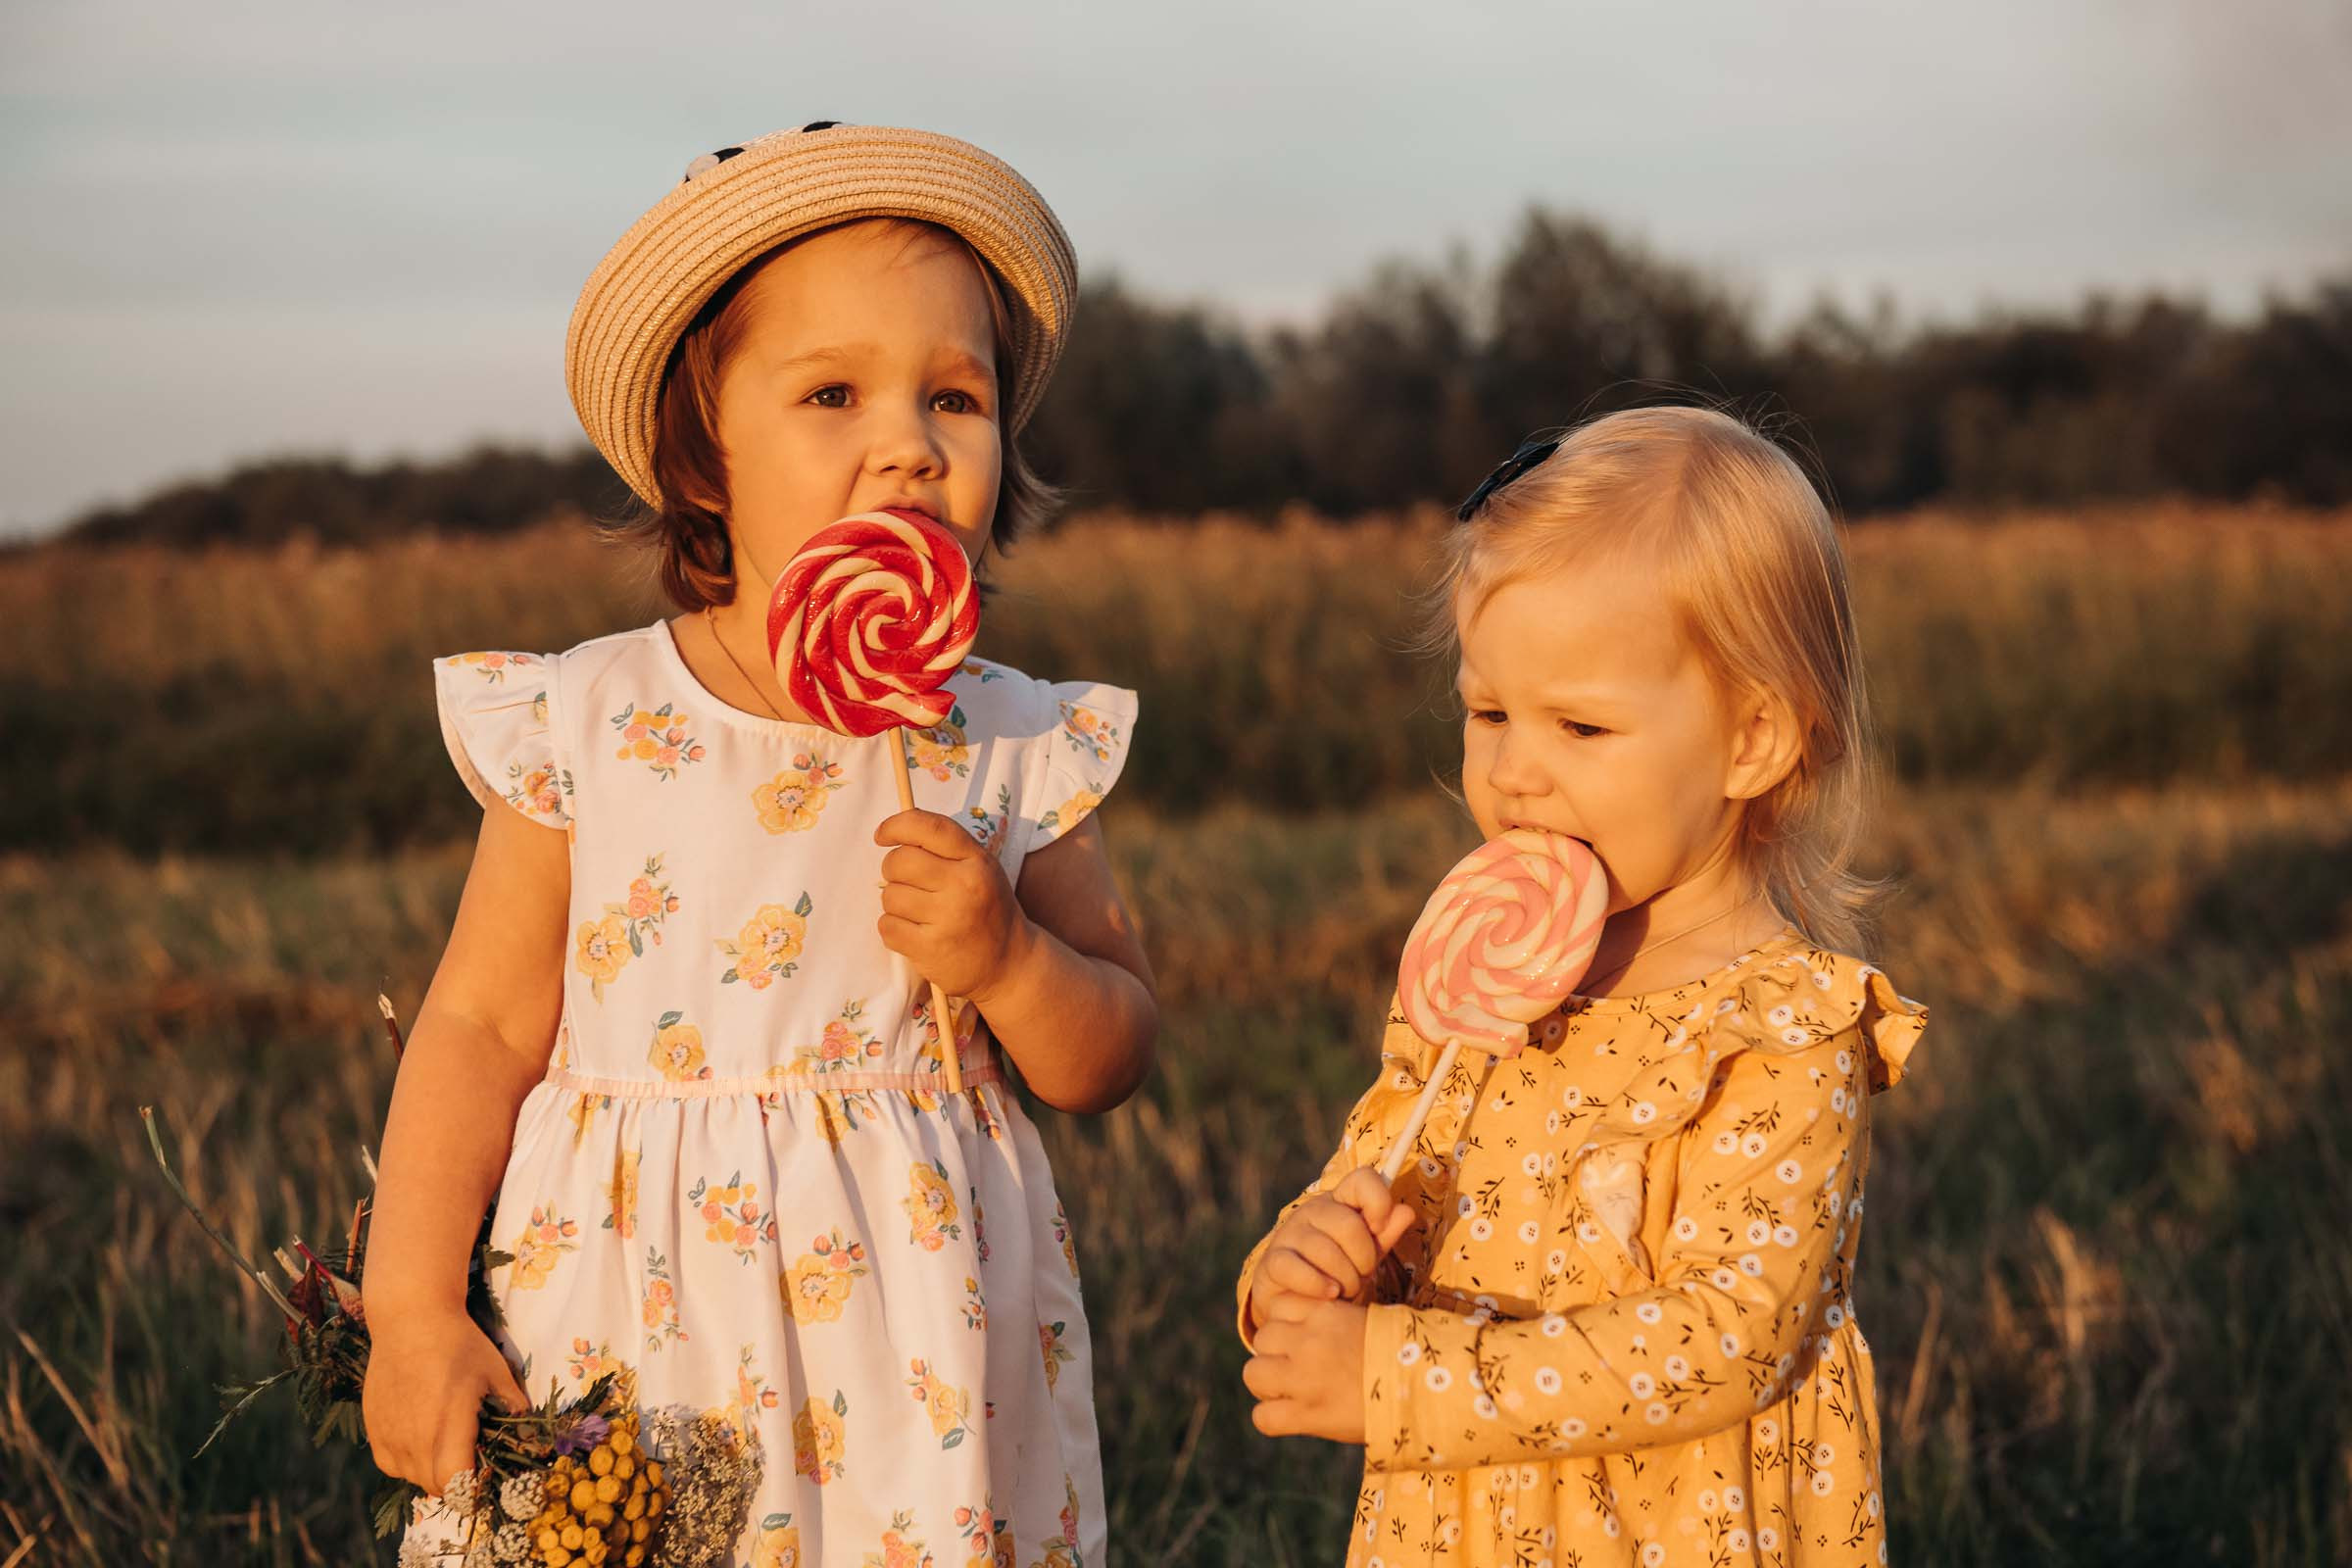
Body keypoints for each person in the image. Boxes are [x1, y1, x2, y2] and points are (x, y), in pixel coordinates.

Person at [364, 122, 1154, 1567]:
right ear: (704, 453)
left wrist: (1010, 959)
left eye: (956, 399)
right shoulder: (594, 719)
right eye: (833, 392)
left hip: (915, 1347)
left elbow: (1109, 1052)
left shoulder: (1005, 738)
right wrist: (410, 1311)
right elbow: (477, 1026)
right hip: (627, 1316)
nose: (909, 443)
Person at [1239, 406, 1927, 1566]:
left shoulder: (1784, 1033)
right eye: (1488, 711)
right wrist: (1304, 1266)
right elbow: (1387, 1184)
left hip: (1675, 1529)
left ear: (1754, 740)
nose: (1512, 771)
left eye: (1580, 725)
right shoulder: (1476, 995)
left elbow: (1730, 1339)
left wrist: (1401, 1380)